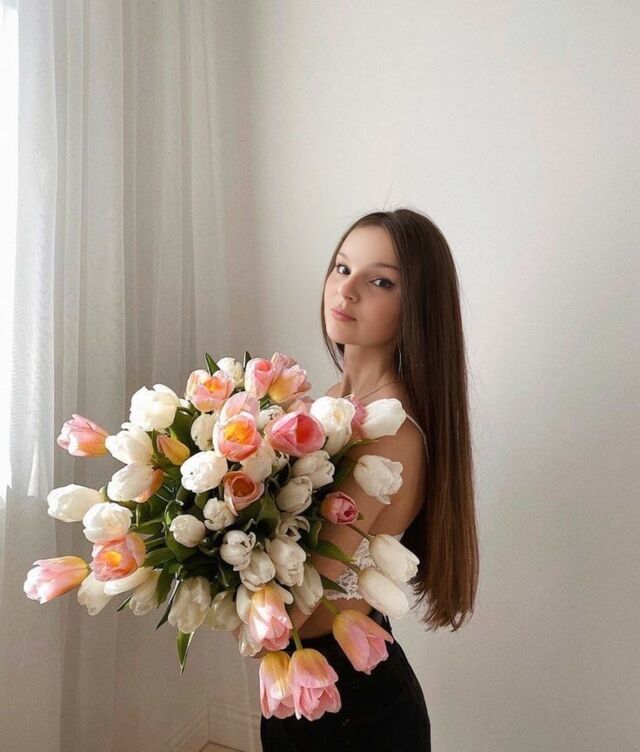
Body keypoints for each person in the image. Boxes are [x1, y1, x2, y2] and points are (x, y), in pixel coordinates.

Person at [258, 207, 480, 750]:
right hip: (310, 682)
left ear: (417, 307)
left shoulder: (389, 433)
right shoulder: (330, 401)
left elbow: (303, 600)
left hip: (354, 708)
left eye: (380, 281)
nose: (347, 289)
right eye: (342, 268)